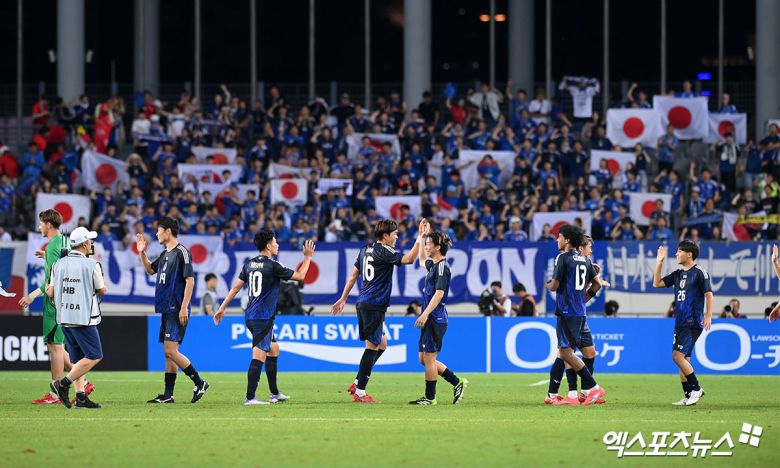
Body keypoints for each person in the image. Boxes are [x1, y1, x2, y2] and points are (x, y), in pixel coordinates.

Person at [331, 218, 427, 403]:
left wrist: (343, 298)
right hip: (373, 305)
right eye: (395, 234)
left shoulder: (364, 250)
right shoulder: (384, 250)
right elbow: (409, 259)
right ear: (385, 236)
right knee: (372, 347)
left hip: (365, 303)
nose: (397, 237)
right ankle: (360, 393)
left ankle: (358, 381)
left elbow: (353, 275)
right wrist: (420, 237)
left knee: (382, 345)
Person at [214, 231, 315, 405]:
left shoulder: (249, 264)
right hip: (262, 317)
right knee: (259, 355)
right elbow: (300, 277)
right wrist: (307, 257)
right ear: (268, 246)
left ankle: (274, 393)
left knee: (274, 349)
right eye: (275, 242)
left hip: (252, 315)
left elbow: (235, 288)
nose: (277, 245)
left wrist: (222, 308)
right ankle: (250, 397)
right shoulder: (273, 266)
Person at [19, 209, 94, 404]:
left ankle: (55, 394)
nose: (39, 227)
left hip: (54, 304)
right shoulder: (64, 241)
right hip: (65, 301)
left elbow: (55, 278)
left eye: (41, 224)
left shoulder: (53, 245)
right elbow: (66, 263)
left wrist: (32, 296)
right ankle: (83, 382)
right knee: (58, 346)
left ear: (48, 225)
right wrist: (46, 255)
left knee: (55, 346)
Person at [136, 217, 209, 404]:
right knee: (169, 353)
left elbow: (190, 281)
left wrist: (184, 306)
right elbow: (150, 270)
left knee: (171, 351)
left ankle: (199, 382)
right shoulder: (164, 254)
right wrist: (142, 253)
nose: (156, 234)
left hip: (177, 308)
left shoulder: (182, 252)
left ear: (168, 231)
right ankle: (168, 395)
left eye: (158, 230)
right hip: (166, 309)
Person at [544, 225, 606, 406]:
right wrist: (583, 299)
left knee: (565, 353)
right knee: (567, 353)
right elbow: (597, 284)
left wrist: (547, 284)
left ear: (568, 240)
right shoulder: (586, 260)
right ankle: (563, 394)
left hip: (567, 312)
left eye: (560, 237)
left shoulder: (563, 257)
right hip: (578, 311)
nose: (557, 240)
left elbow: (555, 286)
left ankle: (593, 388)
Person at [47, 227, 106, 409]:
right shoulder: (92, 264)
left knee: (78, 358)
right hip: (83, 318)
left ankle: (80, 396)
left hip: (64, 317)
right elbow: (102, 289)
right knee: (95, 355)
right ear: (85, 245)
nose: (91, 244)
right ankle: (63, 384)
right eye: (90, 241)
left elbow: (50, 292)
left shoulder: (58, 264)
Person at [409, 230, 468, 405]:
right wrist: (421, 237)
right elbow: (421, 260)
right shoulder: (433, 265)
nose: (426, 247)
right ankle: (457, 382)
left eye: (428, 244)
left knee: (429, 358)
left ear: (437, 247)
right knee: (424, 359)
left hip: (435, 318)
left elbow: (440, 293)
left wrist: (425, 313)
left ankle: (430, 397)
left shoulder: (442, 267)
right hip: (431, 317)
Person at [653, 241, 713, 406]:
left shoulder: (700, 273)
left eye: (679, 251)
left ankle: (696, 388)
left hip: (692, 322)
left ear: (689, 254)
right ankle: (688, 395)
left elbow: (709, 295)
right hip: (680, 323)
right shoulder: (678, 274)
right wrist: (659, 263)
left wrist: (708, 315)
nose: (676, 254)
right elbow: (656, 283)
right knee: (684, 359)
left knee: (677, 356)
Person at [561, 235, 610, 404]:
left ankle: (586, 391)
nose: (591, 250)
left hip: (579, 314)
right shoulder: (571, 263)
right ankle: (572, 393)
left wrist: (584, 298)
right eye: (589, 246)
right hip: (570, 313)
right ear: (580, 248)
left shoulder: (586, 264)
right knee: (568, 352)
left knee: (589, 353)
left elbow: (585, 288)